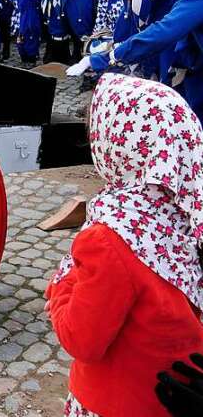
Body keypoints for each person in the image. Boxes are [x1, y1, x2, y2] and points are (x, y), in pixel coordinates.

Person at [46, 73, 203, 417]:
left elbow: (81, 339)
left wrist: (60, 286)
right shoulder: (190, 212)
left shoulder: (108, 238)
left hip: (113, 403)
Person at [2, 0, 44, 65]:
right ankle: (23, 58)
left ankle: (32, 59)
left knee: (31, 39)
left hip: (31, 17)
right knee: (19, 41)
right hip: (18, 18)